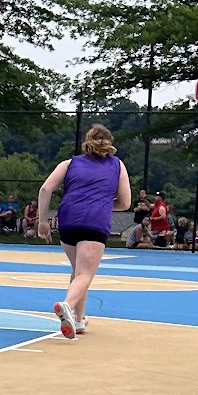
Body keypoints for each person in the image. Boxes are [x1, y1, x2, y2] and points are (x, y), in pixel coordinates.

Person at [33, 124, 129, 337]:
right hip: (94, 221)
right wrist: (101, 202)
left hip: (68, 220)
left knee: (78, 271)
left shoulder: (69, 164)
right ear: (109, 143)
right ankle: (66, 305)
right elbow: (125, 202)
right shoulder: (117, 165)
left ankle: (78, 320)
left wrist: (43, 221)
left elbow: (45, 189)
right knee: (85, 273)